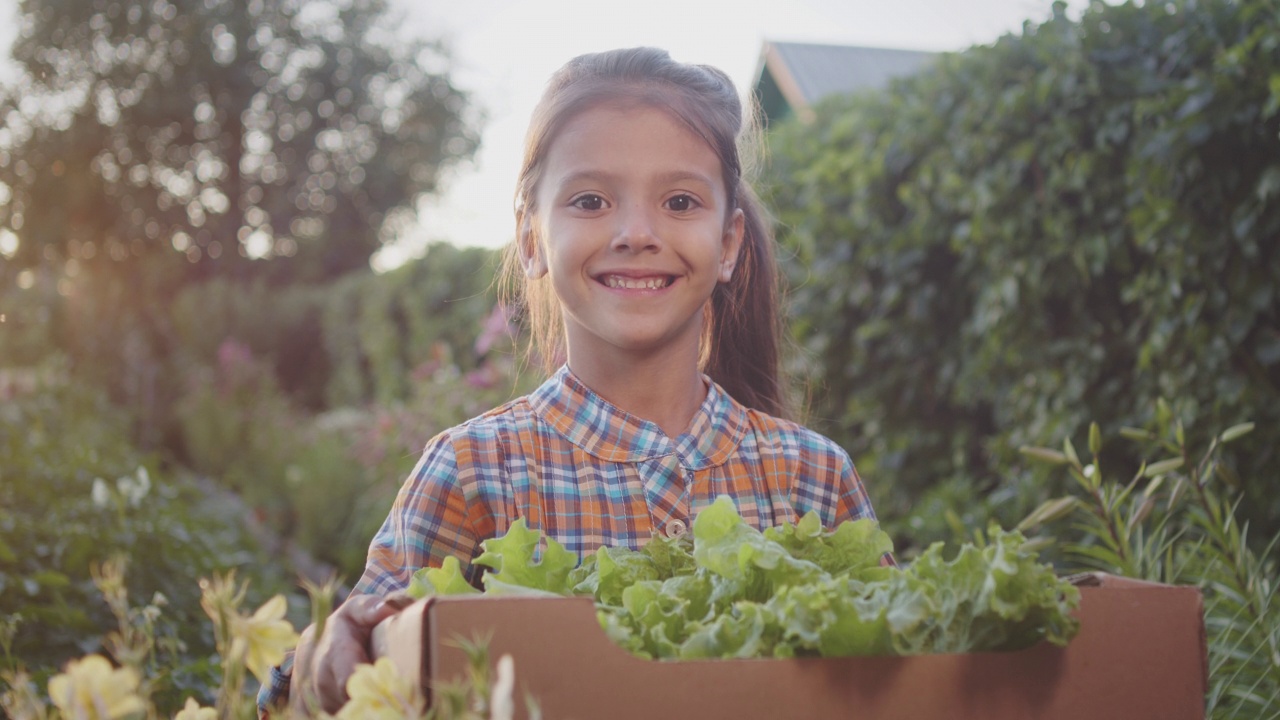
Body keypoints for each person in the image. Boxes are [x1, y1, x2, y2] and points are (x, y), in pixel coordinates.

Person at [259, 46, 879, 718]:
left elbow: (901, 679)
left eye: (679, 200)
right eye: (590, 200)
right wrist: (328, 652)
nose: (637, 232)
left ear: (727, 244)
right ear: (531, 239)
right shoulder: (475, 471)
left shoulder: (811, 476)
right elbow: (345, 671)